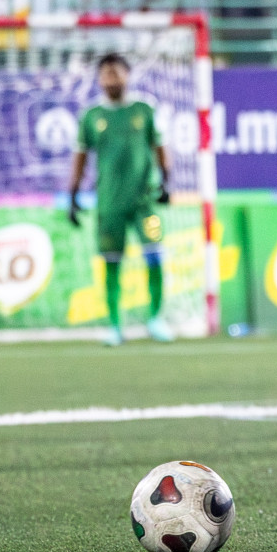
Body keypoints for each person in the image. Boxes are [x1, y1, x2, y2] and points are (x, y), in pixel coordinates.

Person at [68, 53, 174, 347]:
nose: (111, 79)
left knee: (155, 254)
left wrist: (167, 181)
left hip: (145, 203)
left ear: (128, 75)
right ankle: (115, 326)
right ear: (99, 79)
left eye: (116, 73)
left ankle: (155, 318)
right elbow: (79, 158)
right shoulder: (92, 116)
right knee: (111, 262)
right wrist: (72, 196)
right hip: (109, 205)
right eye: (105, 74)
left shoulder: (145, 109)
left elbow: (160, 147)